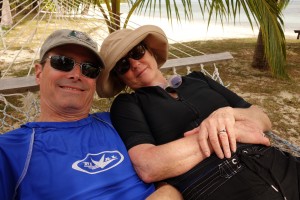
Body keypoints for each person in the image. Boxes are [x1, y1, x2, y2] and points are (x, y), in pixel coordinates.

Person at [96, 25, 300, 200]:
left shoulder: (198, 79)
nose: (134, 63)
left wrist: (226, 113)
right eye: (123, 65)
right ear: (120, 78)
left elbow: (262, 118)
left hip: (273, 160)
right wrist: (231, 132)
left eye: (137, 52)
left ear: (150, 51)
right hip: (216, 181)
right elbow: (149, 166)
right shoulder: (128, 104)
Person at [0, 29, 183, 200]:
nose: (76, 74)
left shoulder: (119, 121)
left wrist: (167, 190)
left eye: (89, 69)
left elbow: (169, 169)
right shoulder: (12, 150)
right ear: (39, 73)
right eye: (63, 62)